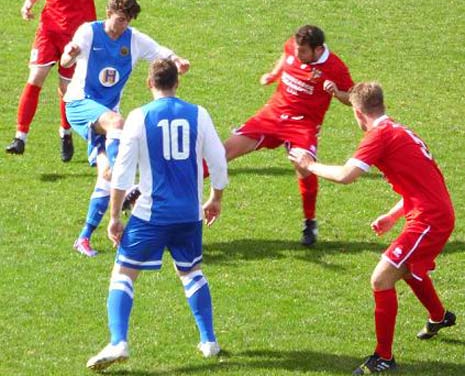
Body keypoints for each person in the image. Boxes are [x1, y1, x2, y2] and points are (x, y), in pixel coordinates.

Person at [289, 82, 455, 374]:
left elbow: (345, 175)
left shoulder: (379, 136)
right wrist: (392, 216)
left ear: (357, 112)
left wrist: (309, 164)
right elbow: (423, 184)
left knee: (381, 278)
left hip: (430, 219)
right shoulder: (401, 131)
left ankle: (384, 357)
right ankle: (439, 316)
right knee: (405, 267)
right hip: (430, 211)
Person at [85, 58, 228, 371]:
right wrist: (215, 198)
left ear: (150, 84)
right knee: (191, 273)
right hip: (189, 215)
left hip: (150, 215)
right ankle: (209, 340)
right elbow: (218, 161)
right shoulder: (198, 114)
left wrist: (114, 218)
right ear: (177, 83)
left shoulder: (139, 117)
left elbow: (122, 173)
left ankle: (118, 340)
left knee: (123, 273)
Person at [60, 0, 190, 257]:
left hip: (107, 120)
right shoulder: (89, 32)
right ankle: (130, 186)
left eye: (127, 21)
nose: (122, 26)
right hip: (79, 104)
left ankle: (83, 237)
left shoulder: (134, 40)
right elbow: (65, 61)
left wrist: (177, 60)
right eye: (120, 19)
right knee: (118, 121)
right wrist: (69, 55)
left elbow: (160, 52)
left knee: (107, 175)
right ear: (109, 14)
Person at [222, 24, 354, 246]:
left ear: (318, 50)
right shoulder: (293, 47)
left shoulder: (335, 67)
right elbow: (285, 56)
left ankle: (309, 222)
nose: (297, 54)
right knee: (223, 151)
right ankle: (178, 188)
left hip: (303, 126)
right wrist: (274, 74)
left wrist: (337, 93)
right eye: (297, 49)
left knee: (305, 167)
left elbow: (353, 97)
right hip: (272, 115)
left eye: (303, 52)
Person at [5, 0, 96, 162]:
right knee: (35, 77)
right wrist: (28, 2)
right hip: (49, 29)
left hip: (77, 34)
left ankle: (65, 133)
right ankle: (20, 137)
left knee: (66, 88)